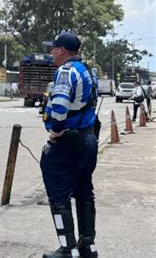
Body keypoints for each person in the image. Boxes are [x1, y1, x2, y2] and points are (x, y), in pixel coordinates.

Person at [40, 32, 99, 258]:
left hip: (67, 141)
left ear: (62, 50)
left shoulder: (65, 71)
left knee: (58, 194)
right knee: (84, 192)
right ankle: (87, 246)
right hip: (88, 139)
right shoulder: (88, 71)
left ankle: (67, 249)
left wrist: (54, 132)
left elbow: (60, 106)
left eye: (53, 48)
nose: (51, 52)